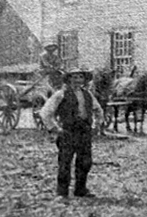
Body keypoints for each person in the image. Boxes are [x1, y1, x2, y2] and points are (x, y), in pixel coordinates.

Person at [40, 67, 104, 198]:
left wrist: (96, 125)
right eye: (74, 77)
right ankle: (62, 192)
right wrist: (55, 128)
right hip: (68, 132)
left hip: (84, 132)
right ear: (68, 79)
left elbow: (98, 110)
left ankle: (81, 189)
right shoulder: (60, 94)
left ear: (84, 80)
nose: (77, 80)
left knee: (85, 162)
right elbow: (46, 112)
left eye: (80, 77)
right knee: (65, 162)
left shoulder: (88, 94)